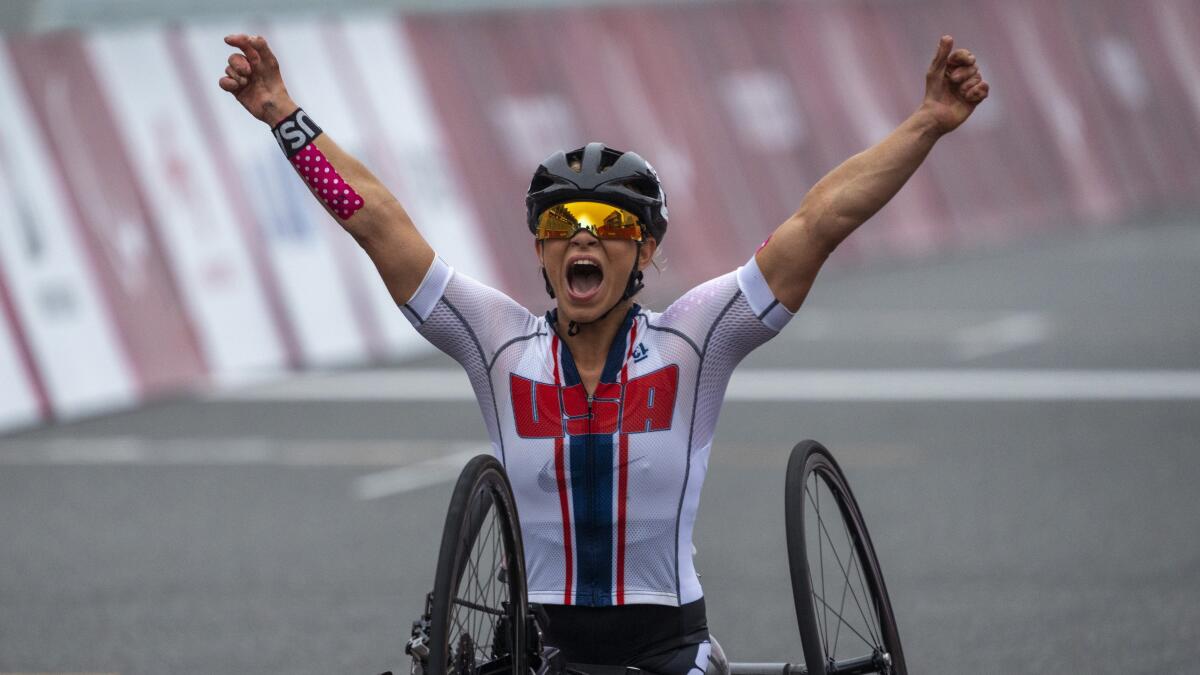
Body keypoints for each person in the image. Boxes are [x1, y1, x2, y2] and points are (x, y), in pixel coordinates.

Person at [220, 32, 987, 675]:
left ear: (645, 248)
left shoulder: (694, 339)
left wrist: (927, 123)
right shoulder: (498, 343)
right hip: (539, 650)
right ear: (541, 248)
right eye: (562, 222)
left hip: (670, 647)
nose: (583, 235)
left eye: (610, 224)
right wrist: (282, 115)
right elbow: (375, 219)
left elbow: (819, 220)